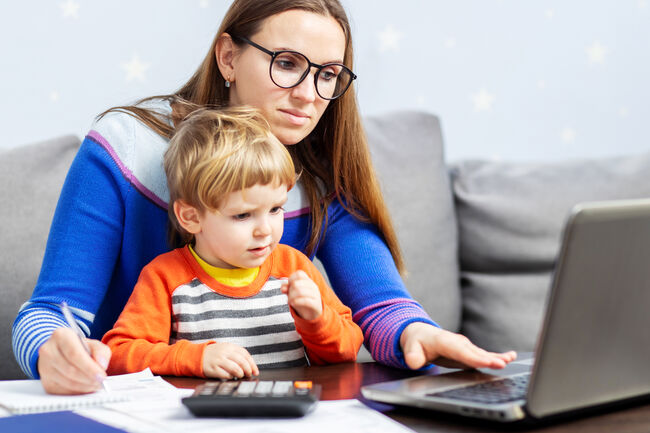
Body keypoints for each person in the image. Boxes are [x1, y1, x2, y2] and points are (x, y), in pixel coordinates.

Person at [13, 0, 515, 395]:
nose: (308, 94)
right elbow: (48, 314)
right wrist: (53, 352)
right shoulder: (124, 148)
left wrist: (414, 333)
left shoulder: (319, 173)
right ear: (228, 56)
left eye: (326, 74)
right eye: (288, 63)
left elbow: (381, 307)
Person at [102, 107, 363, 377]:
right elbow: (119, 354)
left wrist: (317, 319)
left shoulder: (294, 267)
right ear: (191, 217)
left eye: (275, 209)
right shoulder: (166, 277)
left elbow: (348, 350)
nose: (265, 230)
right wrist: (196, 358)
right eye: (242, 215)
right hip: (207, 416)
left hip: (290, 414)